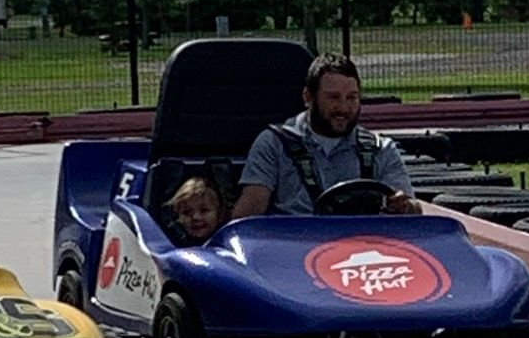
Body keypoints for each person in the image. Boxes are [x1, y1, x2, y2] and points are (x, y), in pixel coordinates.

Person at [231, 53, 420, 219]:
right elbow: (248, 216)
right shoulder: (273, 144)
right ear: (308, 97)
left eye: (352, 98)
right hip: (295, 246)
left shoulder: (381, 149)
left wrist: (403, 207)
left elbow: (412, 208)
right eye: (333, 98)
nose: (344, 108)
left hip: (363, 248)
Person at [167, 174, 229, 245]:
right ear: (177, 217)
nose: (196, 217)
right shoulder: (172, 246)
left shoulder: (230, 245)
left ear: (220, 213)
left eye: (204, 210)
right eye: (186, 212)